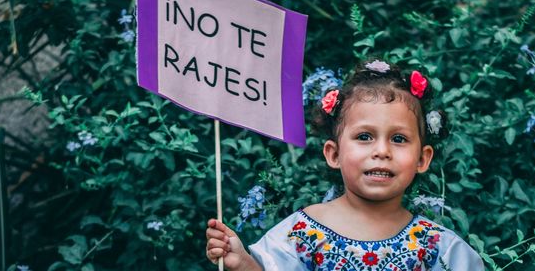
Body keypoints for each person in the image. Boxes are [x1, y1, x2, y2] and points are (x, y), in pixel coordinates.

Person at [206, 60, 484, 270]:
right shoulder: (301, 234)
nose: (382, 151)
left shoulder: (439, 248)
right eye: (364, 137)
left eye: (399, 139)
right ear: (334, 154)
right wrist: (242, 263)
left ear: (423, 158)